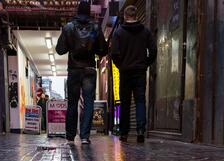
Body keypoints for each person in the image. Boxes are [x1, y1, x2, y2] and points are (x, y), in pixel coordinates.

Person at [56, 1, 108, 145]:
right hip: (90, 69)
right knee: (89, 102)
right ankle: (85, 136)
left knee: (72, 103)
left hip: (74, 69)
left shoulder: (68, 27)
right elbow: (103, 50)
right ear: (89, 11)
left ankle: (70, 136)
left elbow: (60, 49)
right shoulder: (96, 27)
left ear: (77, 11)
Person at [111, 5, 157, 143]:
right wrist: (145, 63)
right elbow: (153, 50)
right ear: (136, 16)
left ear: (125, 16)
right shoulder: (145, 31)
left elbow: (114, 54)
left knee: (125, 103)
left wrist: (121, 66)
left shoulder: (118, 33)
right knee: (140, 101)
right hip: (140, 71)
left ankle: (124, 133)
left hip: (125, 72)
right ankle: (140, 131)